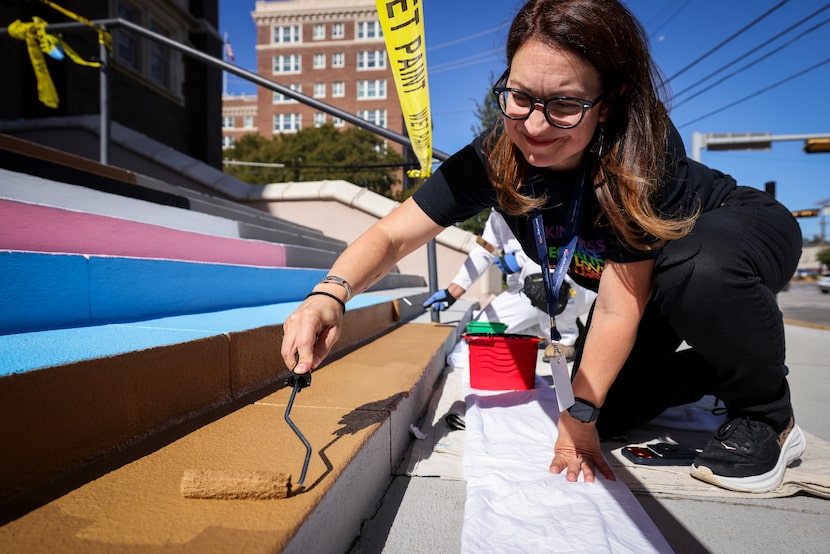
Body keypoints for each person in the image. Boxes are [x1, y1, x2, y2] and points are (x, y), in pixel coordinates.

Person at [282, 0, 805, 494]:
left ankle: (767, 414)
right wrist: (329, 295)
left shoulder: (640, 154)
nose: (533, 125)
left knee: (691, 270)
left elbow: (621, 305)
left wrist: (577, 416)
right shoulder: (495, 155)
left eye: (564, 106)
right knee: (609, 412)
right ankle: (723, 364)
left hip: (731, 233)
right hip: (653, 280)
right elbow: (393, 233)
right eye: (520, 96)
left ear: (611, 100)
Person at [422, 208, 595, 360]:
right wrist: (452, 292)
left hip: (568, 285)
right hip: (525, 293)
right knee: (481, 333)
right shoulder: (499, 211)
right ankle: (560, 326)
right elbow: (484, 251)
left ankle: (565, 339)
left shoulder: (547, 196)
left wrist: (521, 259)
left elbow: (562, 244)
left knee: (543, 279)